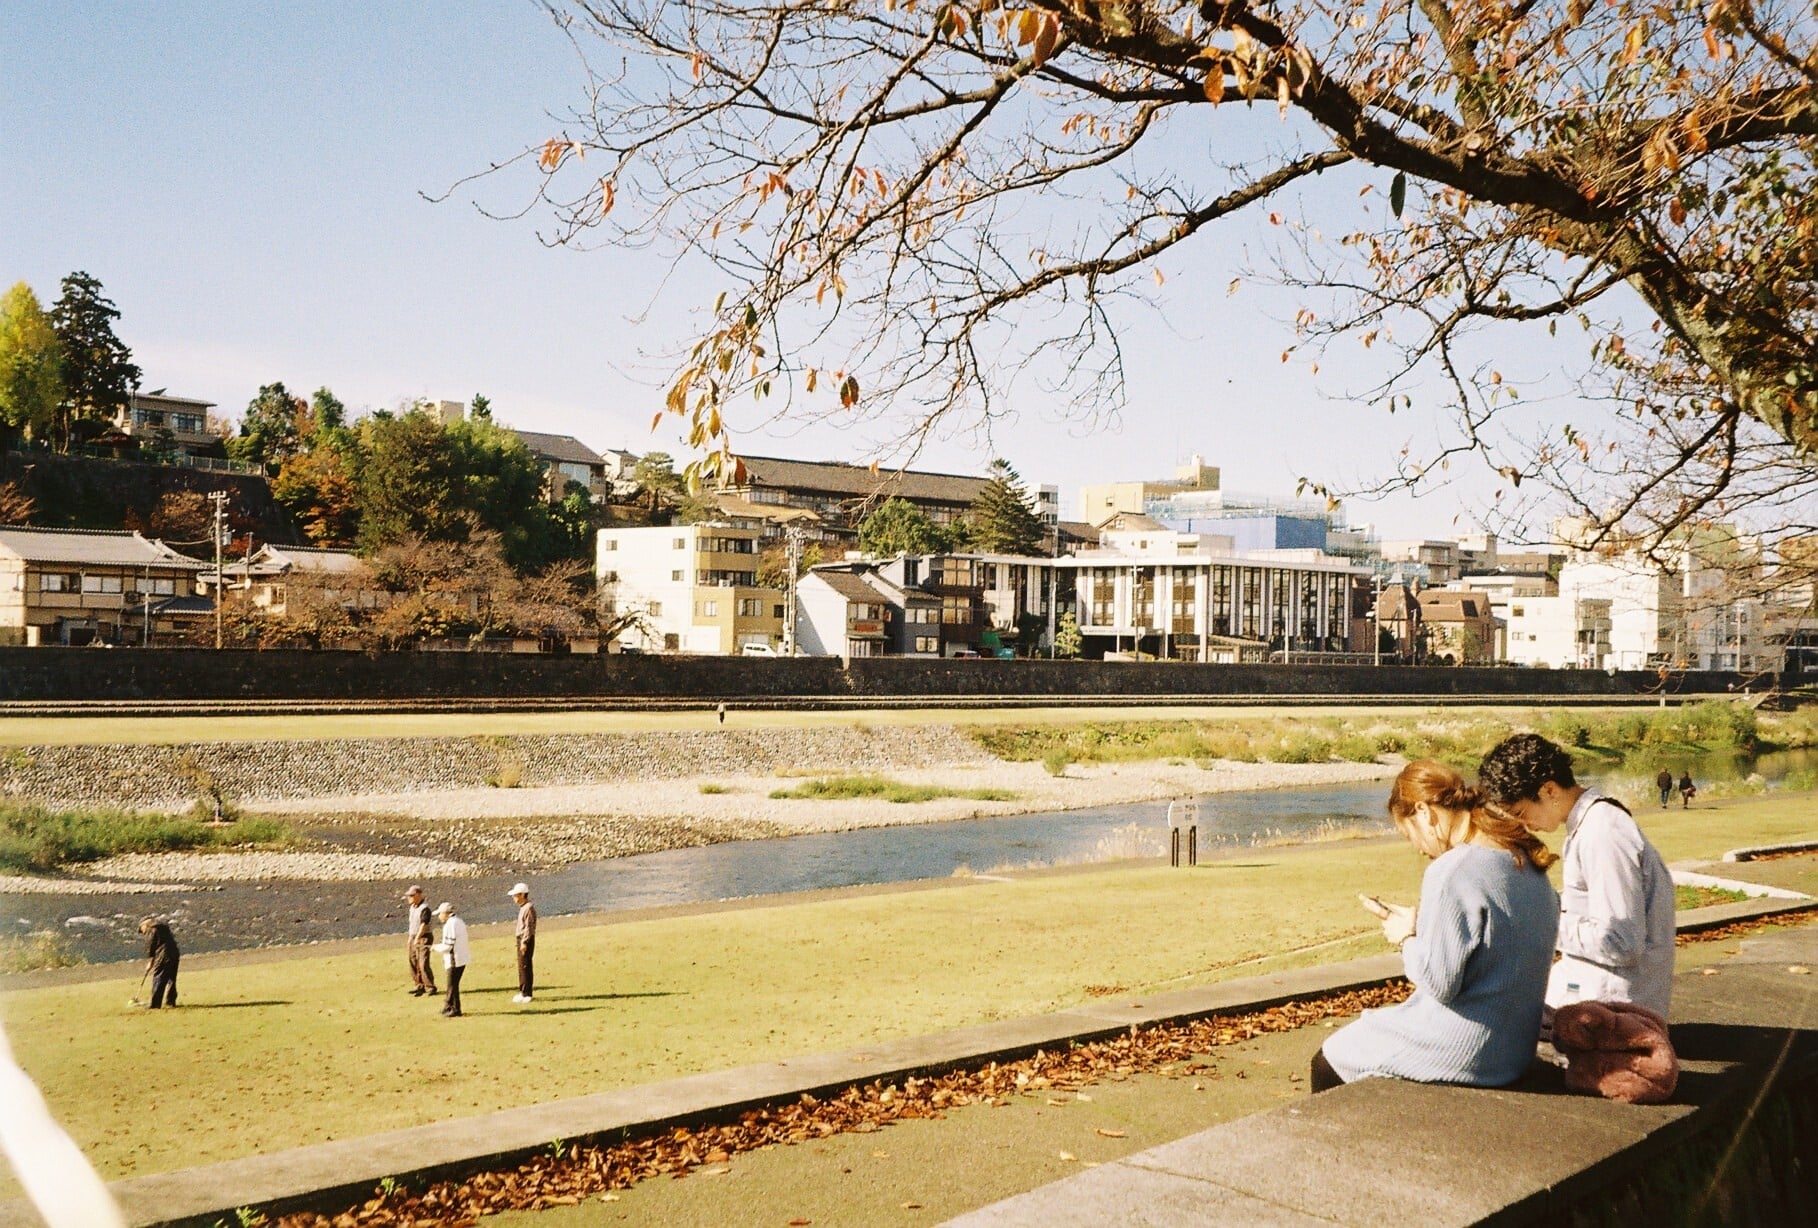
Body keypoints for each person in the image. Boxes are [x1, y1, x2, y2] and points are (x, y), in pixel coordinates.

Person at [1312, 760, 1559, 1091]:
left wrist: (1406, 938)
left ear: (1425, 813)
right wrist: (1423, 929)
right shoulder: (1524, 859)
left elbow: (1440, 984)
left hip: (1470, 1051)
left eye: (1409, 833)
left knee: (1330, 1058)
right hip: (1513, 1048)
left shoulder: (1453, 871)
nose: (1417, 847)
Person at [1479, 733, 1676, 1019]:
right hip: (1597, 986)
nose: (1525, 825)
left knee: (1489, 1011)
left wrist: (1541, 922)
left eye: (1522, 812)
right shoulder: (1589, 825)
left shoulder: (1602, 831)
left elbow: (1621, 942)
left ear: (1549, 790)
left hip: (1615, 1005)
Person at [431, 902, 469, 1018]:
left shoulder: (450, 925)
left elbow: (448, 946)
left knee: (452, 985)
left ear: (445, 913)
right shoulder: (459, 921)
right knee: (453, 985)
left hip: (455, 959)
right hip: (462, 958)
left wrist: (435, 947)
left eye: (440, 914)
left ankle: (455, 1009)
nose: (439, 917)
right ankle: (448, 1006)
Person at [139, 917, 179, 1009]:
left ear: (144, 925)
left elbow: (151, 945)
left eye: (142, 930)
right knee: (171, 978)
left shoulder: (151, 929)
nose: (143, 933)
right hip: (174, 953)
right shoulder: (163, 927)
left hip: (163, 955)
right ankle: (170, 1001)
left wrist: (151, 961)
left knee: (158, 978)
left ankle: (155, 1004)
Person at [403, 885, 437, 997]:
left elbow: (423, 924)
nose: (409, 898)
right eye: (409, 896)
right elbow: (412, 924)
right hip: (413, 936)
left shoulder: (425, 908)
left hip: (424, 937)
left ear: (419, 895)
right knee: (413, 961)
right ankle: (419, 985)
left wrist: (417, 938)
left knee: (423, 963)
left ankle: (430, 986)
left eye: (412, 895)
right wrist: (410, 938)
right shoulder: (412, 908)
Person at [509, 882, 537, 1004]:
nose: (513, 898)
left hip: (525, 939)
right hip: (521, 939)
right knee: (522, 966)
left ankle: (527, 993)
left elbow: (529, 927)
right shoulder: (524, 907)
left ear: (521, 895)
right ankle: (523, 991)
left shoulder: (528, 908)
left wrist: (524, 942)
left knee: (525, 966)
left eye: (515, 895)